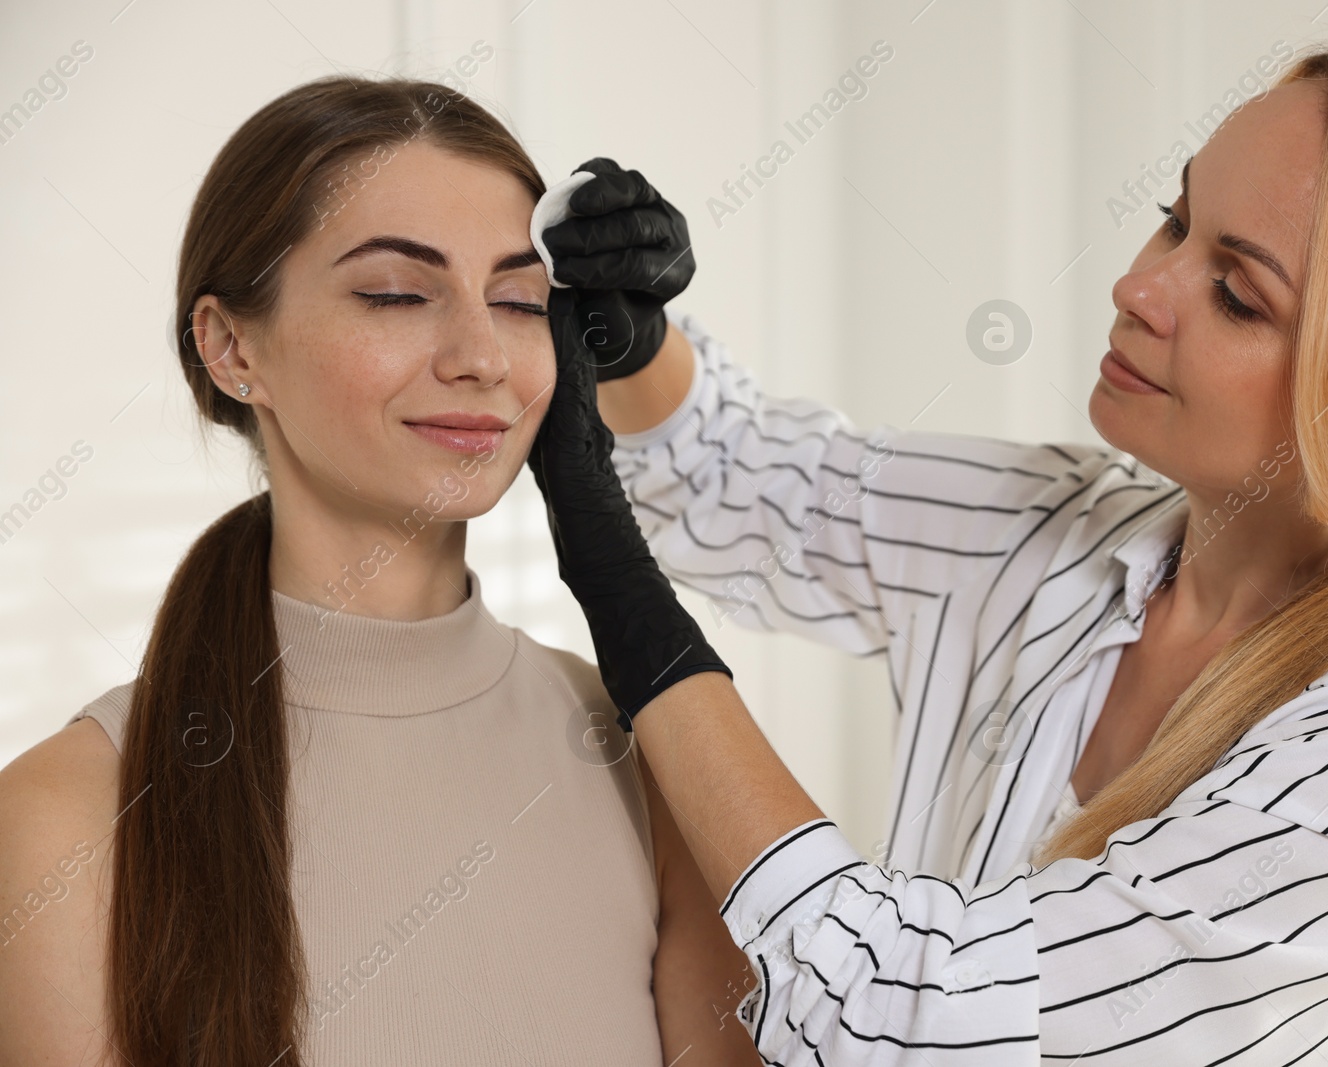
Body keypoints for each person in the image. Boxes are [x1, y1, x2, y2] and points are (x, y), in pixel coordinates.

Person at [527, 42, 1328, 1064]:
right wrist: (640, 340)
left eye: (1237, 292)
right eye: (1174, 219)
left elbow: (905, 1021)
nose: (1142, 286)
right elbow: (756, 485)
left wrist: (622, 597)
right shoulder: (1057, 534)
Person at [0, 77, 759, 1065]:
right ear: (232, 347)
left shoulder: (655, 758)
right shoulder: (64, 814)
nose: (482, 354)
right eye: (397, 292)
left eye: (520, 300)